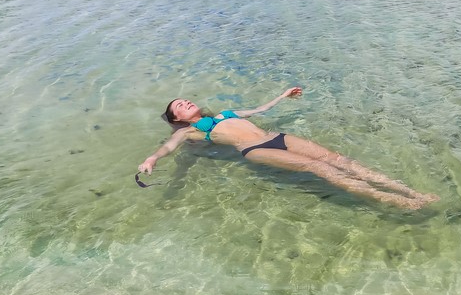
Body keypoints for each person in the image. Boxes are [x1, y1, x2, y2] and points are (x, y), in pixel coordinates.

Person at [138, 87, 439, 209]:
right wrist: (152, 159)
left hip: (276, 136)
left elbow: (258, 109)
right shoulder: (190, 131)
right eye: (180, 106)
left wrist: (282, 96)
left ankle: (412, 192)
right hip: (253, 149)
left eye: (185, 100)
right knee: (317, 167)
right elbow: (169, 146)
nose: (186, 102)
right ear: (177, 118)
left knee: (336, 158)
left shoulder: (224, 114)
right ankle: (394, 200)